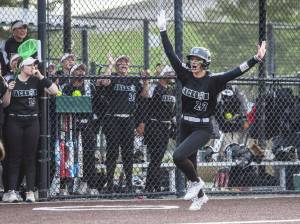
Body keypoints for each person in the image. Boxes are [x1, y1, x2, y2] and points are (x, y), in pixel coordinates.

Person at [156, 10, 266, 210]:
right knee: (190, 162)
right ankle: (200, 197)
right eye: (192, 59)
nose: (193, 62)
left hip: (203, 128)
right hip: (185, 124)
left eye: (197, 60)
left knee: (178, 156)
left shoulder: (214, 80)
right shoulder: (185, 75)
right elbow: (171, 54)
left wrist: (255, 59)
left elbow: (236, 70)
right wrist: (163, 30)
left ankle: (196, 183)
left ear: (205, 62)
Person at [2, 57, 58, 202]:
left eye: (34, 65)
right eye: (30, 65)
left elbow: (54, 91)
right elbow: (5, 105)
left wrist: (40, 75)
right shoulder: (12, 80)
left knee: (30, 157)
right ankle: (12, 191)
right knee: (14, 156)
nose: (33, 67)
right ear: (22, 67)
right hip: (15, 121)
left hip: (32, 121)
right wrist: (9, 90)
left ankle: (30, 192)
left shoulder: (36, 80)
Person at [97, 53, 149, 193]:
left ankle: (129, 184)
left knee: (128, 152)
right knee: (112, 151)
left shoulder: (133, 80)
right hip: (112, 118)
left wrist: (145, 81)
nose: (123, 64)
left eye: (126, 62)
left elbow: (144, 95)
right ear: (116, 65)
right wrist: (110, 64)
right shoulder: (112, 77)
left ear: (129, 65)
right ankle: (109, 184)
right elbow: (104, 82)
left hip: (128, 119)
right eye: (120, 62)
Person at [142, 65, 176, 194]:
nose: (172, 76)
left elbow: (172, 111)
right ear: (162, 75)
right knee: (156, 158)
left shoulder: (171, 90)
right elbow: (145, 98)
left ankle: (152, 188)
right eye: (169, 74)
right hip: (154, 125)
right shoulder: (154, 87)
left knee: (158, 158)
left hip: (165, 127)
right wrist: (146, 82)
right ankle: (151, 188)